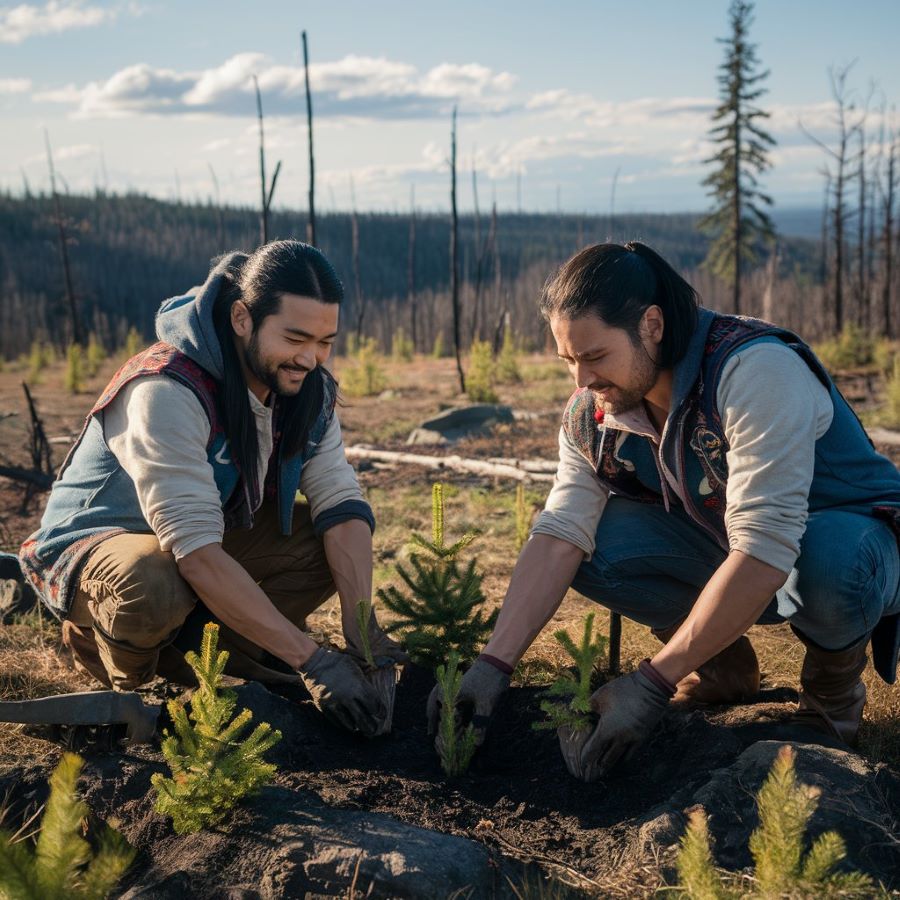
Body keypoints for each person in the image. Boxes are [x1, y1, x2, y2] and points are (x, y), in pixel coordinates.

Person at [429, 241, 900, 773]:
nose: (581, 381)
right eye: (568, 360)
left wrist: (653, 683)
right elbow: (562, 529)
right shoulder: (594, 414)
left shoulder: (755, 370)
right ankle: (720, 667)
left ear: (651, 325)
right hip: (733, 545)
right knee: (593, 546)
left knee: (835, 563)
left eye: (594, 356)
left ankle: (830, 706)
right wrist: (494, 663)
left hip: (851, 545)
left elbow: (767, 544)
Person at [20, 240, 404, 737]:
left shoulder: (306, 388)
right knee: (152, 581)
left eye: (325, 341)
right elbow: (195, 551)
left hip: (207, 532)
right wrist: (313, 661)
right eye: (295, 338)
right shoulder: (166, 387)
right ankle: (126, 672)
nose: (310, 358)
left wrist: (359, 625)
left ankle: (212, 656)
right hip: (99, 545)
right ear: (242, 318)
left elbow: (339, 499)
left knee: (322, 544)